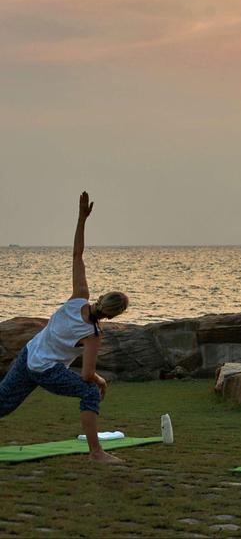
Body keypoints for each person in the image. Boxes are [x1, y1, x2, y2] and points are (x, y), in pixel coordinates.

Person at [0, 192, 130, 464]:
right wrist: (100, 380)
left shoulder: (78, 297)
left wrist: (81, 219)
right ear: (113, 315)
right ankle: (96, 453)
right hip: (45, 370)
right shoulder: (93, 336)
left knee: (2, 403)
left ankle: (96, 452)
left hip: (29, 355)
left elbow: (77, 253)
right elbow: (86, 375)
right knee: (90, 391)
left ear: (102, 298)